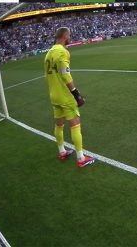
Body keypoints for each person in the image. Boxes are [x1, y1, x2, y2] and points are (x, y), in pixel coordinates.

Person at [44, 27, 96, 168]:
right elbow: (65, 75)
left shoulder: (48, 53)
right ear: (65, 36)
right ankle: (81, 158)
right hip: (65, 96)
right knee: (75, 124)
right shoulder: (63, 52)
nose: (70, 37)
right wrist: (76, 94)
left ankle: (62, 151)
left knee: (59, 125)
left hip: (53, 95)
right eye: (69, 35)